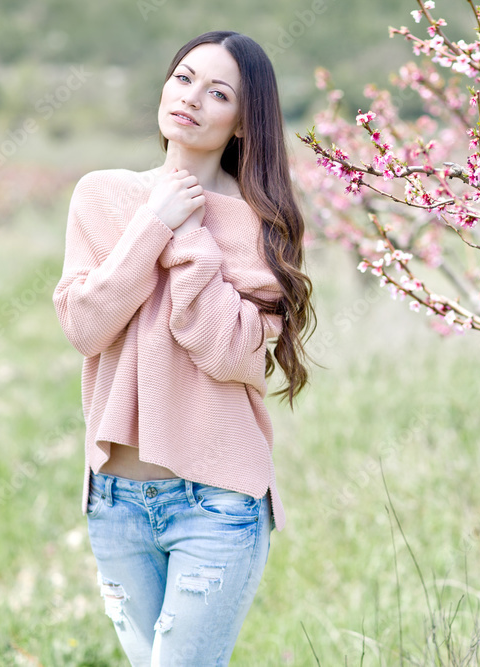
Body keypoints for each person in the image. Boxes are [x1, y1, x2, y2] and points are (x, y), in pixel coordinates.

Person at [53, 31, 313, 666]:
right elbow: (87, 326)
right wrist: (154, 224)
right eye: (183, 78)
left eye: (217, 92)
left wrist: (191, 236)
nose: (191, 98)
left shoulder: (263, 225)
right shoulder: (102, 194)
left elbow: (231, 354)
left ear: (245, 123)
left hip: (218, 503)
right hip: (114, 501)